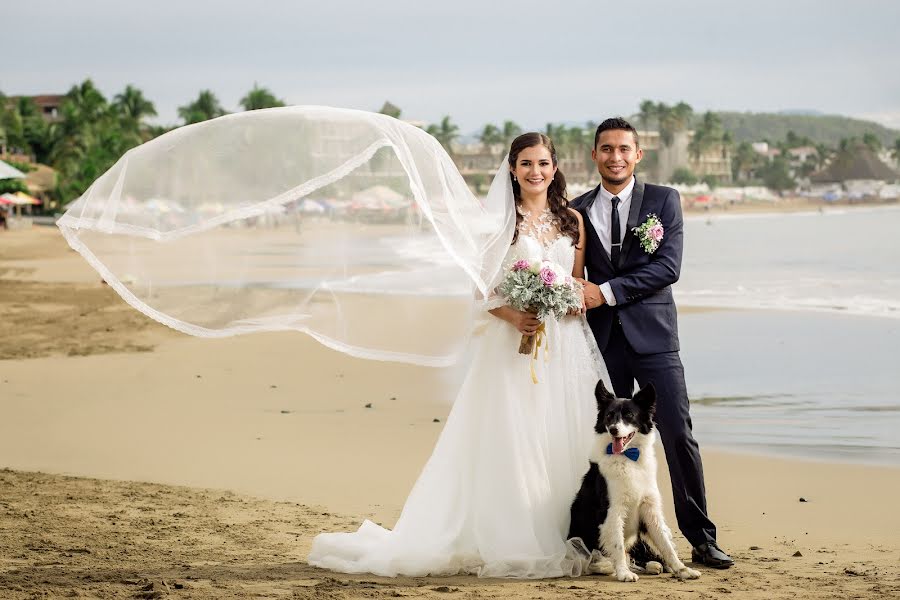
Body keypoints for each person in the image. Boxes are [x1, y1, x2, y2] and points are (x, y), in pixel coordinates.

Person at [307, 133, 610, 578]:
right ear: (511, 169)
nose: (535, 172)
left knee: (564, 433)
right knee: (517, 435)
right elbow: (482, 291)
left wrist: (564, 302)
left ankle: (573, 531)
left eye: (543, 163)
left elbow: (576, 283)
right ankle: (519, 533)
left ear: (555, 166)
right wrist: (515, 317)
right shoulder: (499, 225)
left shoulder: (573, 221)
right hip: (513, 346)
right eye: (525, 164)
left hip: (565, 344)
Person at [570, 117, 734, 569]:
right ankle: (633, 541)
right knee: (615, 442)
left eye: (624, 149)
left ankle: (701, 538)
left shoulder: (665, 201)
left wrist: (605, 292)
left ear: (637, 155)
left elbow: (668, 268)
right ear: (594, 155)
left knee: (678, 433)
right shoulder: (578, 209)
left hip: (656, 338)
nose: (615, 157)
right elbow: (572, 272)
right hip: (603, 342)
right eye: (606, 149)